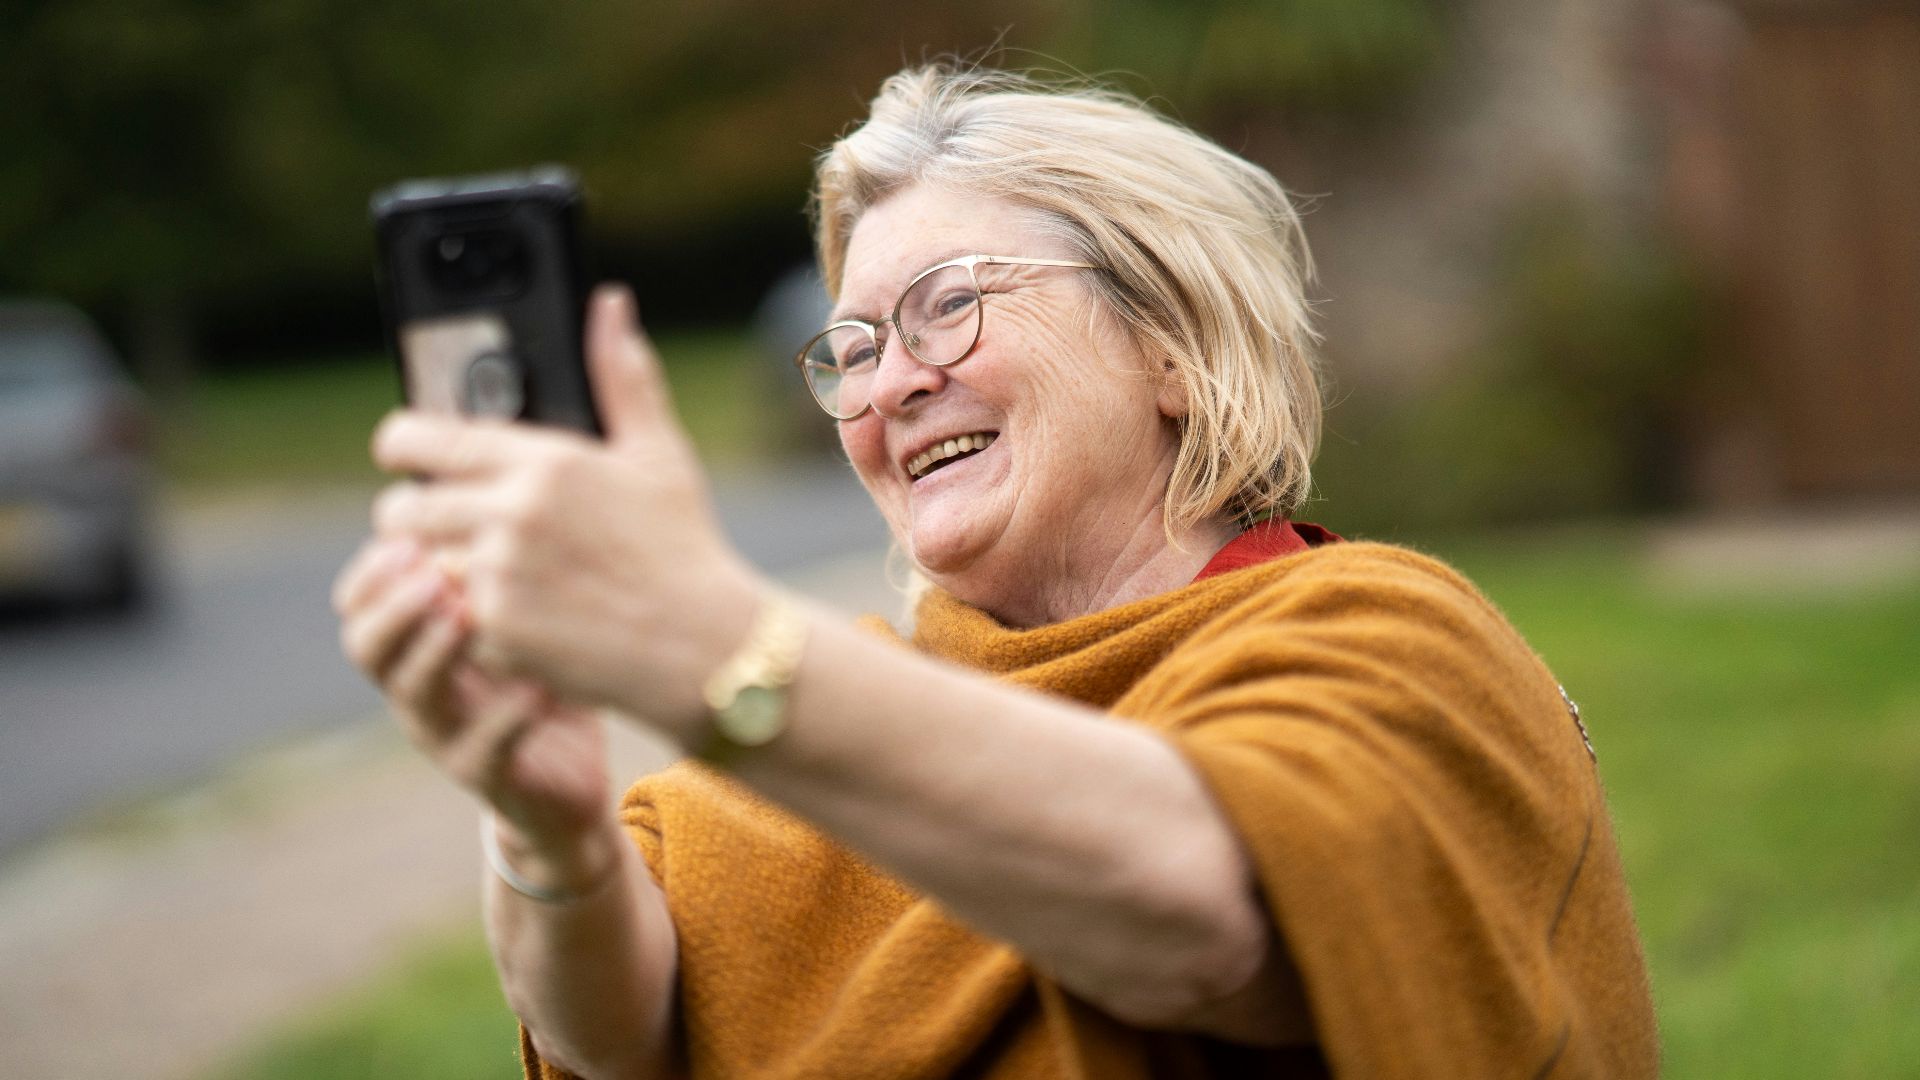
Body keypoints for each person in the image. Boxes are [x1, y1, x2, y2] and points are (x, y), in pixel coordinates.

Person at [333, 65, 1658, 1079]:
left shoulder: (1397, 640)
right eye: (851, 349)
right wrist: (542, 821)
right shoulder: (807, 770)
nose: (893, 384)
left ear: (1176, 350)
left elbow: (1209, 914)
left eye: (950, 304)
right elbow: (617, 1034)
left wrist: (704, 639)